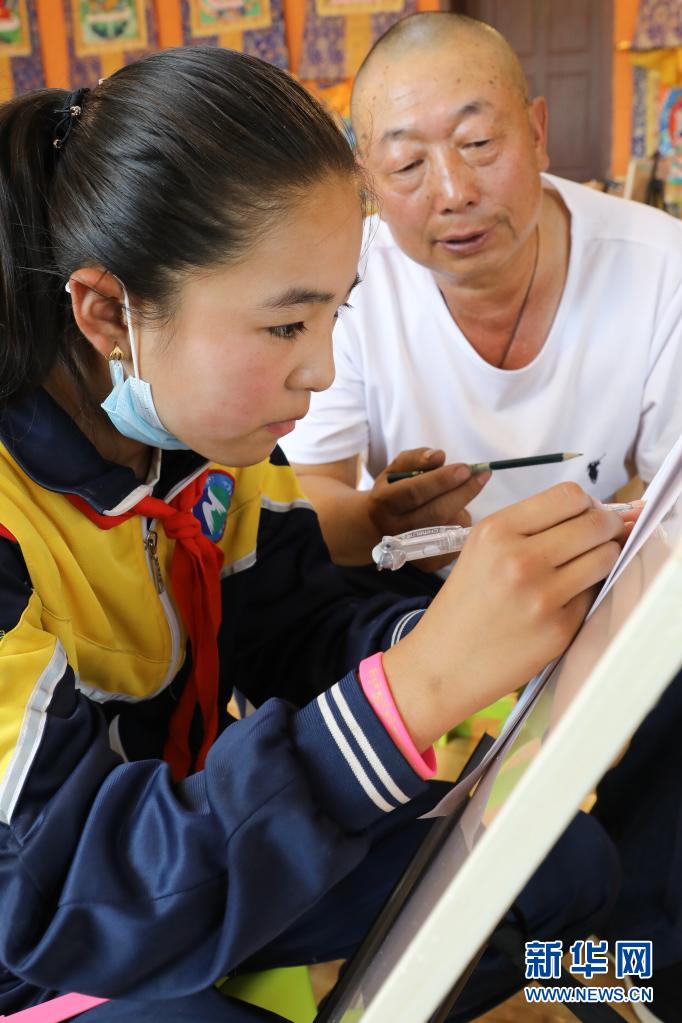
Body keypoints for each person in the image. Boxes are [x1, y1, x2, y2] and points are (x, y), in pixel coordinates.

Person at [0, 47, 631, 1021]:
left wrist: (450, 638)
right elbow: (59, 892)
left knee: (559, 870)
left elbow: (292, 626)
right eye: (286, 327)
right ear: (107, 312)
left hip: (198, 842)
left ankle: (619, 991)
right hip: (59, 937)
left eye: (337, 313)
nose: (323, 371)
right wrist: (415, 690)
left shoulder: (209, 443)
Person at [283, 12, 682, 588]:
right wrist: (377, 519)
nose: (453, 193)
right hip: (411, 593)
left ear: (537, 134)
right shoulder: (345, 282)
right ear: (369, 182)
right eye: (408, 165)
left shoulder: (662, 266)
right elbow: (310, 493)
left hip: (599, 581)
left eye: (479, 143)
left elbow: (670, 506)